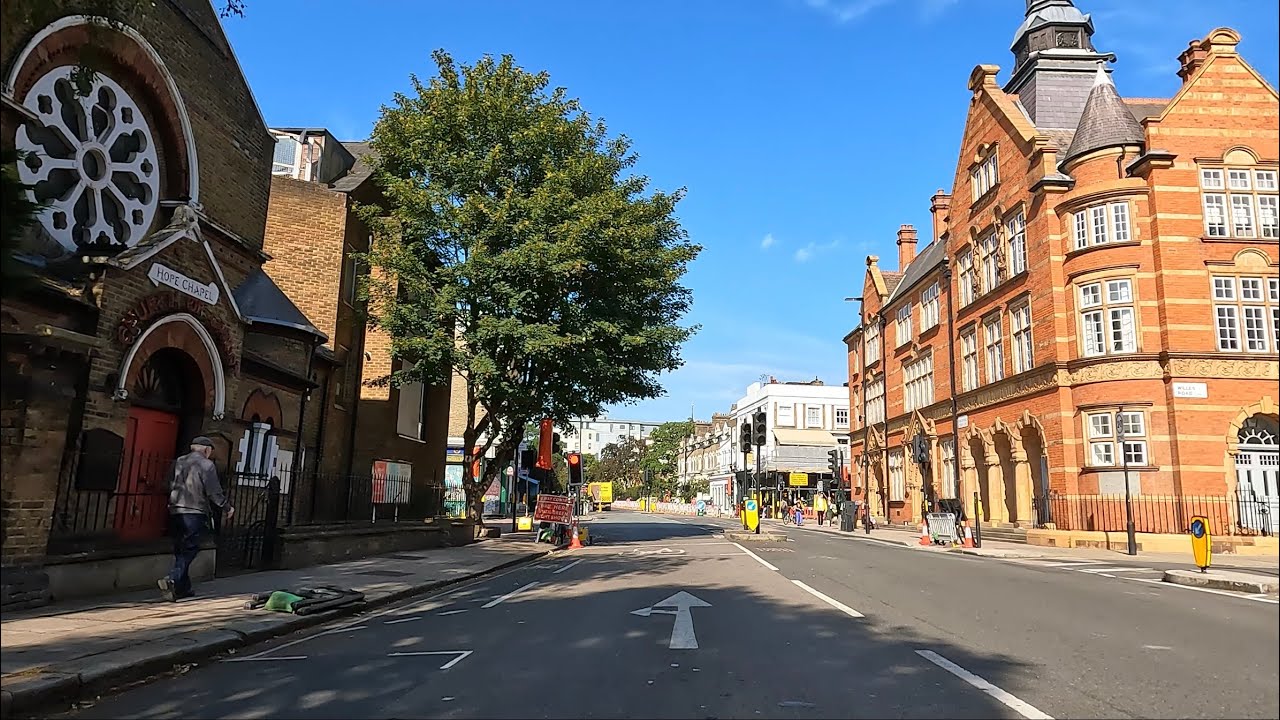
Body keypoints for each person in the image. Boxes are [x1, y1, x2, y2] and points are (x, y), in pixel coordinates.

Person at [160, 437, 232, 602]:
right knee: (191, 548)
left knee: (180, 549)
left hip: (175, 510)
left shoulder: (178, 461)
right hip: (194, 511)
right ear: (207, 450)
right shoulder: (207, 465)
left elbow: (166, 484)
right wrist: (227, 507)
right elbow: (213, 492)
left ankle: (183, 588)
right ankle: (172, 577)